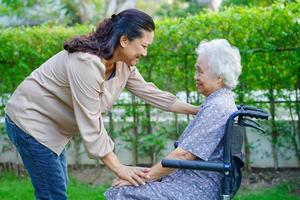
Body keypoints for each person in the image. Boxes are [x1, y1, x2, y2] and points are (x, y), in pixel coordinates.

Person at [4, 9, 199, 200]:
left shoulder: (123, 64)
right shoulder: (86, 63)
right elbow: (92, 123)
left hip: (53, 127)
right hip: (30, 120)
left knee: (57, 187)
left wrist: (196, 110)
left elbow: (150, 92)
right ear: (124, 40)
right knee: (52, 193)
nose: (145, 53)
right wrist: (119, 168)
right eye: (143, 45)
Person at [105, 38, 242, 200]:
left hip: (196, 187)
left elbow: (183, 155)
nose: (195, 76)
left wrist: (141, 178)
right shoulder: (220, 101)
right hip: (191, 180)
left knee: (120, 192)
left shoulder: (217, 107)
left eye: (200, 71)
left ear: (219, 76)